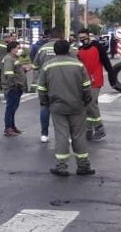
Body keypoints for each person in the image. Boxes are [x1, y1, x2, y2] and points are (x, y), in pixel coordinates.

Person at [37, 40, 94, 176]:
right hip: (77, 106)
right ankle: (83, 166)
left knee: (62, 135)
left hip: (57, 107)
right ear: (68, 50)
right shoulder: (78, 65)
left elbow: (41, 88)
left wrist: (45, 102)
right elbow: (86, 86)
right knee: (79, 135)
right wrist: (86, 100)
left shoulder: (47, 66)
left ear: (55, 51)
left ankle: (62, 167)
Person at [32, 27, 74, 143]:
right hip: (63, 82)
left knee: (45, 108)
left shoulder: (42, 49)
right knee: (65, 109)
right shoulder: (67, 48)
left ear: (50, 36)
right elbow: (75, 63)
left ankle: (44, 134)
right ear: (61, 35)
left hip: (45, 83)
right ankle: (67, 135)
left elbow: (35, 66)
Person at [77, 29, 116, 141]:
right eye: (80, 38)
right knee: (87, 107)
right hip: (83, 82)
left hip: (95, 81)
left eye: (84, 37)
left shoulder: (97, 47)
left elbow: (107, 63)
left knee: (91, 104)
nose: (82, 40)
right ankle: (88, 131)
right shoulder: (80, 50)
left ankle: (100, 129)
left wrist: (112, 80)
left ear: (89, 36)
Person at [2, 41, 29, 137]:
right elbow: (9, 73)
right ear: (12, 49)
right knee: (10, 108)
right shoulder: (9, 58)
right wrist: (14, 84)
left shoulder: (15, 58)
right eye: (18, 48)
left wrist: (25, 69)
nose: (19, 50)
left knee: (14, 108)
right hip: (13, 87)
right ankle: (8, 128)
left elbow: (17, 70)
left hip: (18, 86)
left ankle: (12, 126)